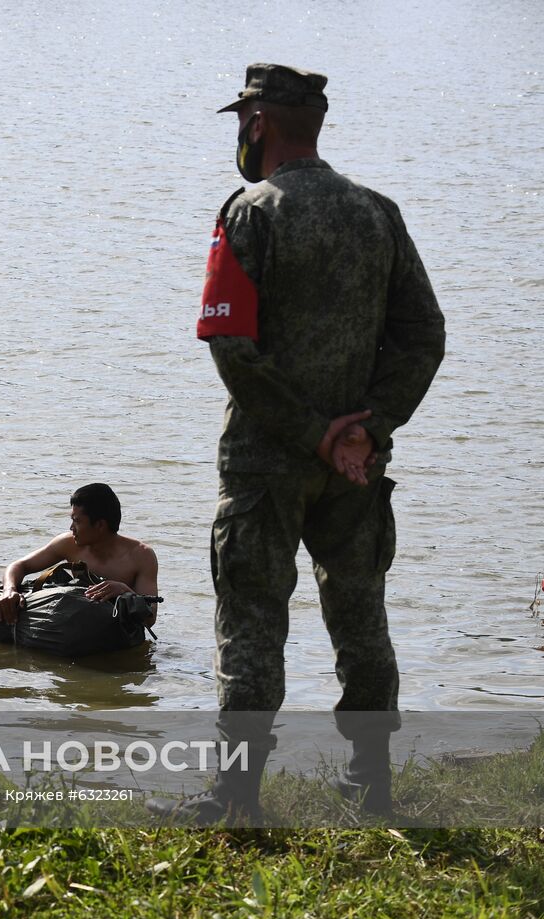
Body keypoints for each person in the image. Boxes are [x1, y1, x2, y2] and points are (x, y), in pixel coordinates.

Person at [146, 64, 445, 824]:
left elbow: (230, 346)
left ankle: (236, 796)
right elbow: (424, 334)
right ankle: (370, 785)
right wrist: (367, 428)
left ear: (259, 125)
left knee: (250, 627)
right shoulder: (378, 211)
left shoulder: (251, 214)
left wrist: (313, 435)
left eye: (241, 120)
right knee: (361, 621)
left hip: (265, 464)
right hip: (355, 468)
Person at [0, 483, 158, 626]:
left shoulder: (142, 556)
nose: (71, 527)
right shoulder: (68, 544)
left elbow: (150, 619)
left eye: (77, 521)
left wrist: (125, 591)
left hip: (113, 636)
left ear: (100, 525)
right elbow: (19, 566)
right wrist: (9, 590)